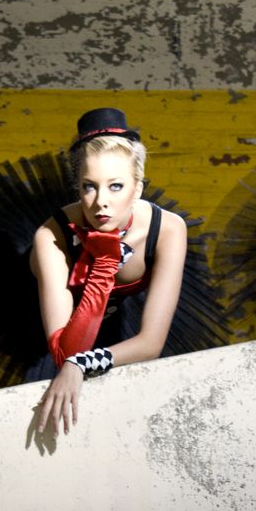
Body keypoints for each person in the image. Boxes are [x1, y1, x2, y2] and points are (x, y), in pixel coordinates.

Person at [31, 109, 187, 434]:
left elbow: (151, 343)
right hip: (50, 325)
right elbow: (66, 351)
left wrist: (83, 363)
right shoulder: (52, 236)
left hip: (126, 326)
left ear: (138, 188)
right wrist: (104, 262)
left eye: (116, 186)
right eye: (90, 187)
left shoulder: (168, 229)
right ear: (77, 188)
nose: (101, 201)